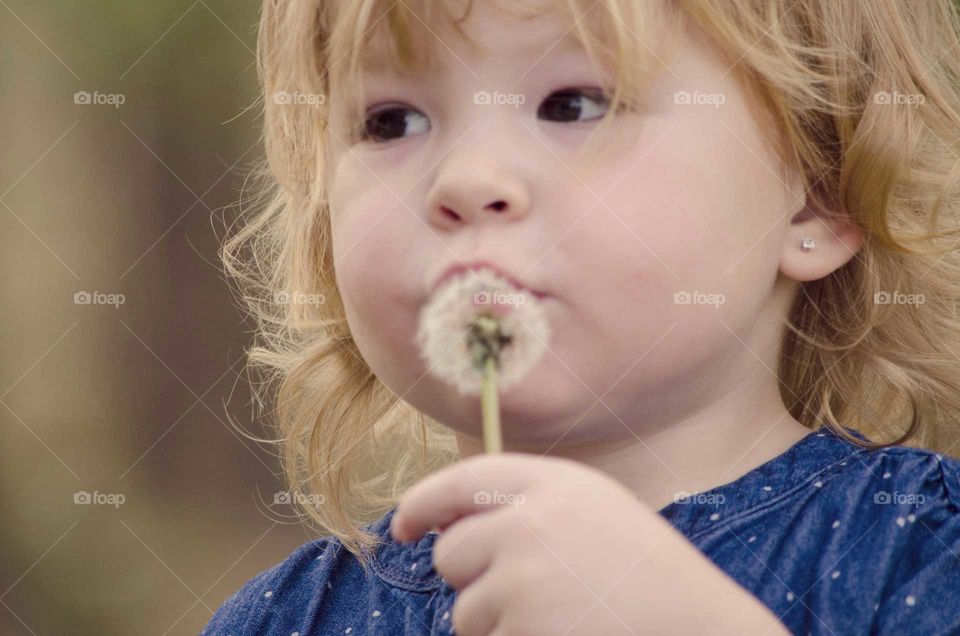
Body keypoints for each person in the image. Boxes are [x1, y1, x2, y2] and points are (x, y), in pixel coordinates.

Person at [205, 0, 960, 633]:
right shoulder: (289, 618)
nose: (467, 180)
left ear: (816, 195)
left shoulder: (919, 554)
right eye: (391, 121)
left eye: (572, 105)